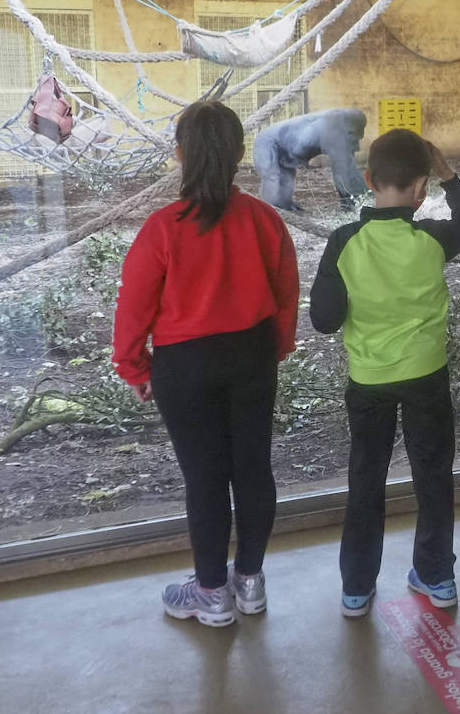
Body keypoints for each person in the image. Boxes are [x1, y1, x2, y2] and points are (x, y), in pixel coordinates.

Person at [112, 101, 299, 627]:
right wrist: (276, 348)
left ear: (178, 155)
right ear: (240, 153)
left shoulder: (162, 228)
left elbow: (134, 306)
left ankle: (212, 594)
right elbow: (286, 292)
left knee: (205, 478)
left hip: (185, 365)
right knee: (253, 469)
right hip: (252, 356)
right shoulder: (263, 219)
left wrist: (134, 366)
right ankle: (251, 583)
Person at [309, 129, 460, 615]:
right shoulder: (432, 238)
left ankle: (357, 588)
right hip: (428, 377)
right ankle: (437, 576)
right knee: (433, 475)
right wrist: (451, 177)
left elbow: (323, 320)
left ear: (368, 179)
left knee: (365, 479)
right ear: (422, 187)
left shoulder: (345, 242)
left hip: (369, 382)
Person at [252, 107, 370, 212]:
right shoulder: (333, 127)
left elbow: (348, 169)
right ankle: (267, 211)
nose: (356, 144)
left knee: (286, 178)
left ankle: (283, 206)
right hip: (268, 142)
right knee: (272, 177)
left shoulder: (338, 123)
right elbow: (342, 171)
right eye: (353, 136)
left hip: (284, 144)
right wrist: (352, 202)